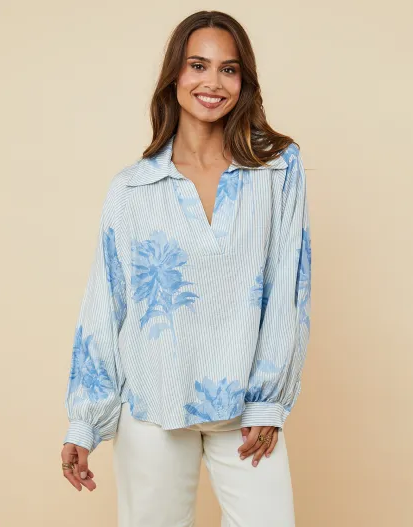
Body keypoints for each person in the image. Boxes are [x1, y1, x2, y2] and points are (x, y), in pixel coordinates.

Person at [61, 9, 312, 527]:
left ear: (243, 81)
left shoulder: (276, 168)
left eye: (228, 69)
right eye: (198, 65)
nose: (212, 82)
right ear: (174, 75)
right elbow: (106, 303)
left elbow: (289, 285)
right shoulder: (132, 188)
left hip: (244, 409)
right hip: (152, 403)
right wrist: (84, 422)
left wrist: (268, 402)